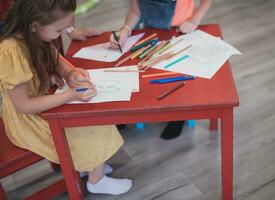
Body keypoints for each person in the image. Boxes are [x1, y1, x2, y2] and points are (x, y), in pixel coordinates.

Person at [0, 0, 132, 195]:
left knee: (91, 115)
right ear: (35, 25)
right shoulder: (10, 51)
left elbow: (54, 56)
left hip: (42, 100)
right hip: (27, 119)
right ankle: (96, 180)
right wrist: (70, 95)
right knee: (88, 125)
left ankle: (91, 164)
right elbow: (24, 106)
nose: (62, 34)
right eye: (59, 30)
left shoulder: (33, 33)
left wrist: (70, 73)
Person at [110, 0, 213, 140]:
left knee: (175, 76)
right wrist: (126, 29)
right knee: (140, 71)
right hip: (149, 31)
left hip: (181, 30)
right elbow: (135, 10)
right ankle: (131, 112)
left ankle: (179, 115)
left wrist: (195, 20)